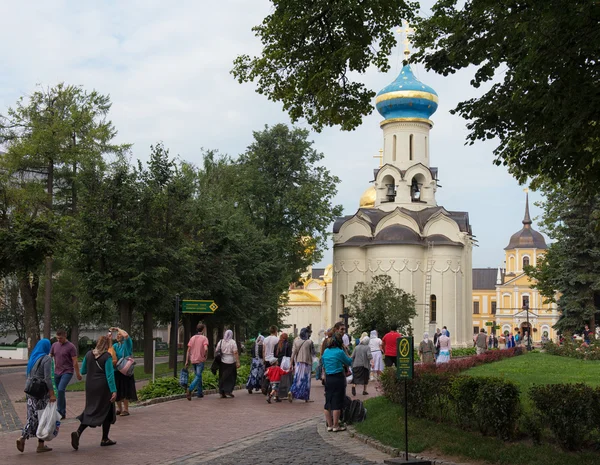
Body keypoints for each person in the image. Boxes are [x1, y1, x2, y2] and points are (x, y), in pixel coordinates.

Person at [71, 336, 117, 450]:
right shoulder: (107, 357)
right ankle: (104, 438)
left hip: (90, 386)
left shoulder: (88, 354)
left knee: (91, 409)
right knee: (107, 409)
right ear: (107, 345)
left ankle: (79, 432)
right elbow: (110, 375)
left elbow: (83, 371)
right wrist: (114, 390)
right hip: (103, 387)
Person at [16, 339, 56, 454]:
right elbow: (48, 378)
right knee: (42, 417)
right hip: (41, 392)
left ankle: (24, 438)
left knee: (32, 416)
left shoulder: (33, 358)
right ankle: (39, 444)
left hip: (30, 390)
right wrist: (52, 394)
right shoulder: (47, 359)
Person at [322, 333, 353, 432]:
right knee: (337, 402)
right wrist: (347, 352)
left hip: (328, 378)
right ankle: (336, 425)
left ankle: (329, 425)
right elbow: (349, 362)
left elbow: (323, 363)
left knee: (328, 401)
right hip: (338, 377)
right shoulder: (339, 352)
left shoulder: (326, 352)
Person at [50, 329, 82, 420]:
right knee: (59, 391)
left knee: (61, 389)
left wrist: (78, 374)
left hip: (67, 371)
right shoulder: (54, 345)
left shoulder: (71, 347)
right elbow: (50, 356)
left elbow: (75, 361)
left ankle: (60, 411)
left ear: (65, 336)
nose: (59, 340)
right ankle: (62, 411)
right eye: (57, 338)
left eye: (60, 338)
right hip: (57, 371)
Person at [110, 326, 137, 416]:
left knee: (125, 388)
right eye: (117, 335)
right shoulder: (115, 345)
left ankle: (126, 409)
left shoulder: (127, 343)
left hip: (125, 370)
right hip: (116, 370)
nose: (118, 336)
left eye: (119, 334)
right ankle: (119, 408)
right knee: (117, 388)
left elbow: (126, 335)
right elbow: (111, 352)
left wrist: (117, 329)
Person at [290, 327, 315, 402]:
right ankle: (306, 397)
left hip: (298, 363)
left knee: (297, 379)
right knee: (306, 380)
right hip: (307, 363)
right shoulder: (309, 342)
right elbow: (313, 353)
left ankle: (291, 392)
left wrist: (291, 364)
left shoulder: (296, 341)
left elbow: (293, 354)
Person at [185, 323, 209, 400]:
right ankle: (190, 389)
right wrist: (205, 356)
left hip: (193, 360)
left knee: (198, 376)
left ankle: (200, 393)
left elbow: (188, 350)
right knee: (198, 376)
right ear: (203, 329)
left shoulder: (192, 338)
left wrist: (186, 361)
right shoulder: (204, 338)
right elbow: (206, 349)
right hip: (200, 360)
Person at [216, 329, 240, 398]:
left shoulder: (221, 341)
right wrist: (237, 361)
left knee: (222, 377)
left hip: (222, 361)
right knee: (231, 377)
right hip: (231, 361)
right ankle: (228, 391)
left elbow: (216, 350)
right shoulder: (232, 342)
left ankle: (222, 392)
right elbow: (235, 352)